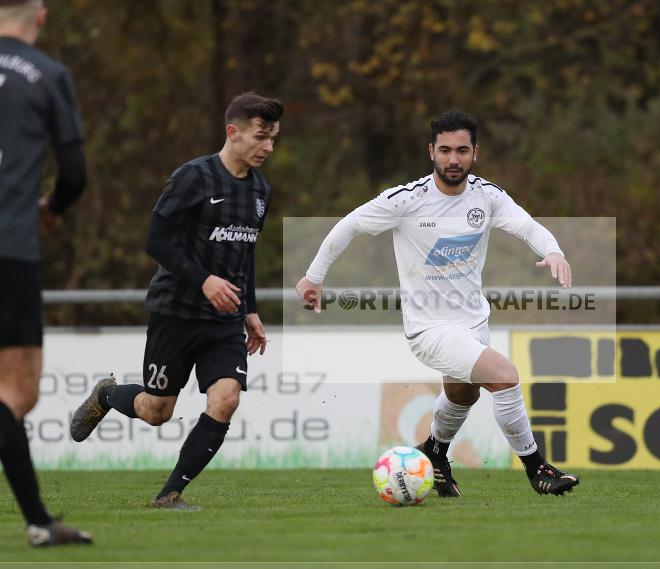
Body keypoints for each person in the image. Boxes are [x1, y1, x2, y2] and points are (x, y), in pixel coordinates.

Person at [295, 110, 579, 497]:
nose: (453, 159)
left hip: (473, 322)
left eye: (462, 150)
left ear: (474, 152)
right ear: (431, 151)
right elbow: (351, 224)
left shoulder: (487, 195)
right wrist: (314, 275)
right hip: (429, 327)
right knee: (505, 377)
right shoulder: (407, 200)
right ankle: (537, 468)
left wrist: (554, 251)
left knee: (464, 393)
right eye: (445, 150)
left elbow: (527, 225)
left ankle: (434, 453)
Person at [69, 92, 282, 511]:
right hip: (176, 311)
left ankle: (169, 494)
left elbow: (245, 254)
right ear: (232, 132)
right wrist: (203, 281)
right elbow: (156, 240)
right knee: (156, 411)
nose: (268, 147)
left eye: (274, 138)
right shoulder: (193, 178)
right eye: (261, 137)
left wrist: (251, 310)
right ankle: (107, 395)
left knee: (226, 399)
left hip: (224, 318)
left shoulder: (260, 191)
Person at [0, 0, 91, 546]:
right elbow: (75, 173)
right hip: (9, 247)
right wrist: (52, 209)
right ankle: (38, 521)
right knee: (17, 393)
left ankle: (38, 520)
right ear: (41, 16)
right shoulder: (48, 75)